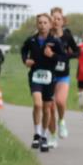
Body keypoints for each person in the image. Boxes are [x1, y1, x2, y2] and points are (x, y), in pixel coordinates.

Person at [20, 13, 64, 152]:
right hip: (35, 76)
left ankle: (44, 136)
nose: (42, 25)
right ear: (36, 24)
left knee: (46, 108)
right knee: (37, 104)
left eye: (45, 23)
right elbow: (23, 50)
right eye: (40, 22)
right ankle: (37, 133)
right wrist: (25, 60)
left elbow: (63, 57)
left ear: (50, 25)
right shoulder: (31, 40)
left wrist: (53, 55)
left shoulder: (54, 41)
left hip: (49, 78)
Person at [50, 7, 79, 142]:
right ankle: (52, 136)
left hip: (63, 74)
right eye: (53, 18)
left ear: (63, 21)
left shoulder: (67, 36)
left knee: (60, 102)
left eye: (58, 19)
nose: (55, 21)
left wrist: (67, 55)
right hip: (49, 75)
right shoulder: (47, 35)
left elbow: (78, 52)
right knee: (50, 107)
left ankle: (61, 121)